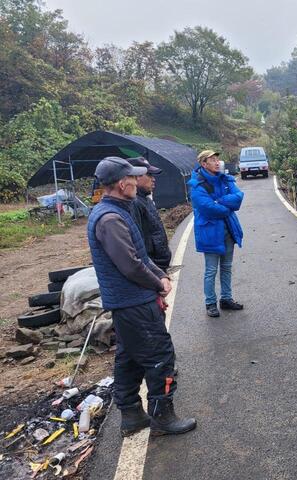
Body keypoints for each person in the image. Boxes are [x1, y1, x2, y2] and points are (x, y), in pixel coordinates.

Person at [87, 156, 196, 437]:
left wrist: (159, 272)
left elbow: (140, 255)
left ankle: (132, 414)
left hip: (128, 302)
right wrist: (158, 284)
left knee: (129, 358)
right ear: (123, 184)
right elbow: (130, 264)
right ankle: (162, 417)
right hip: (133, 302)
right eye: (133, 178)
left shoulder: (118, 211)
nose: (137, 181)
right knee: (160, 355)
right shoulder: (110, 219)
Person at [188, 150, 244, 318]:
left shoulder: (225, 179)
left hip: (228, 230)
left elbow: (238, 198)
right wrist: (226, 206)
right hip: (210, 232)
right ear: (204, 164)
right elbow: (207, 208)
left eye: (217, 159)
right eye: (212, 160)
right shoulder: (197, 185)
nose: (217, 162)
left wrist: (219, 201)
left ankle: (226, 299)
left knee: (226, 267)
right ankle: (210, 303)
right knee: (211, 269)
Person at [127, 157, 172, 272]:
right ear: (136, 176)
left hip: (158, 265)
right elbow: (137, 244)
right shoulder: (135, 203)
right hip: (151, 268)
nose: (153, 179)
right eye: (150, 175)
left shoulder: (146, 199)